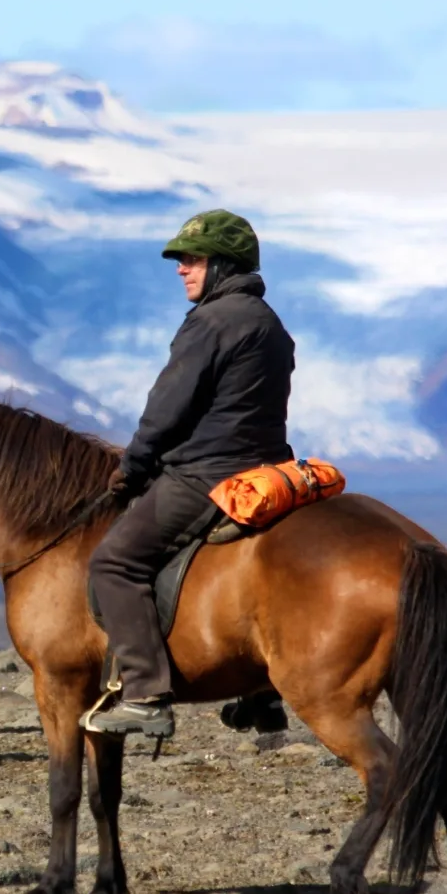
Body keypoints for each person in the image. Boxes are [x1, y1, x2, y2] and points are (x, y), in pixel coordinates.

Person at [82, 209, 295, 738]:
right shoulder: (270, 323)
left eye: (194, 259)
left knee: (114, 562)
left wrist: (132, 466)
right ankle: (262, 695)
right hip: (271, 471)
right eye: (181, 260)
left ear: (224, 266)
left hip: (207, 475)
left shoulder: (210, 322)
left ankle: (146, 693)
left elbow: (167, 408)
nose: (181, 269)